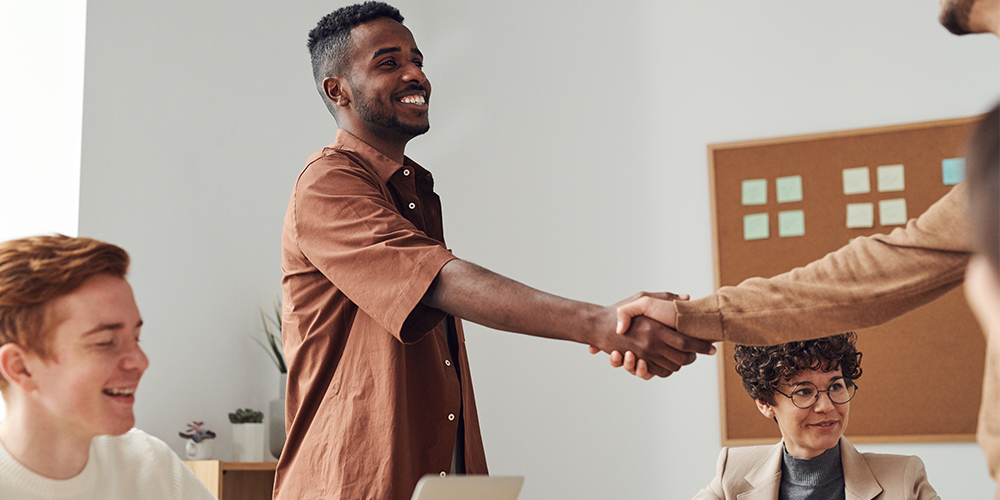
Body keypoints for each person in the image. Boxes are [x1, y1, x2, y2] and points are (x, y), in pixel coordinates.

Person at [277, 3, 716, 499]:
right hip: (347, 486)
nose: (415, 73)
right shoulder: (328, 182)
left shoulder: (414, 192)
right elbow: (438, 280)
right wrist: (601, 324)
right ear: (336, 90)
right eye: (388, 62)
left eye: (417, 59)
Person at [0, 235, 214, 500]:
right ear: (21, 367)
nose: (140, 361)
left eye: (136, 338)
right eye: (105, 343)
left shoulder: (149, 465)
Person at [694, 333, 940, 500]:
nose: (826, 406)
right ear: (764, 403)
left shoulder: (903, 479)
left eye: (835, 386)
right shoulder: (733, 472)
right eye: (803, 391)